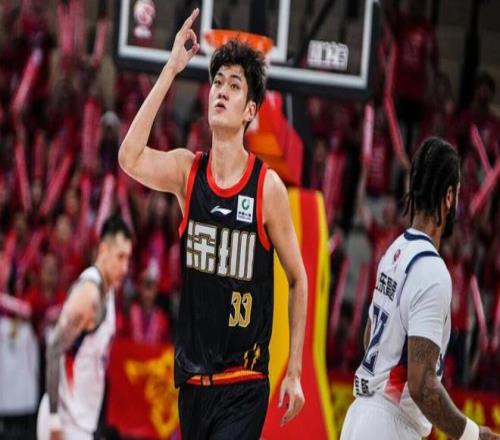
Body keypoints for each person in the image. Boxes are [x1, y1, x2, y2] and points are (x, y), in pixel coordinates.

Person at [118, 8, 307, 439]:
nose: (221, 91)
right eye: (217, 83)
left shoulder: (266, 187)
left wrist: (294, 369)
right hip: (193, 386)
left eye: (234, 86)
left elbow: (298, 278)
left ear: (250, 110)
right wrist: (170, 69)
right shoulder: (188, 172)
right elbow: (129, 157)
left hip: (244, 383)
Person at [340, 137, 499, 440]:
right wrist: (472, 434)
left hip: (360, 415)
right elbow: (422, 384)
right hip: (389, 425)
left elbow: (369, 336)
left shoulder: (394, 251)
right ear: (449, 196)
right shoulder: (432, 270)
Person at [36, 215, 133, 440]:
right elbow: (53, 349)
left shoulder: (108, 291)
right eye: (120, 257)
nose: (125, 267)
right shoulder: (89, 293)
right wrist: (54, 419)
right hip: (65, 419)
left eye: (128, 258)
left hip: (81, 420)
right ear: (104, 250)